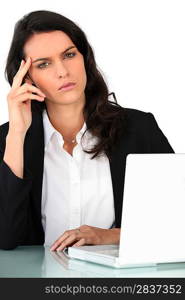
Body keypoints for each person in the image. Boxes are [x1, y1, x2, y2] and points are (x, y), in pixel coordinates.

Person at [0, 10, 174, 251]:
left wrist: (112, 236)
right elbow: (5, 238)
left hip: (120, 285)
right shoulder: (8, 141)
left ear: (84, 58)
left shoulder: (139, 128)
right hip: (36, 284)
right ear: (27, 78)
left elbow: (176, 221)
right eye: (44, 64)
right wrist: (17, 134)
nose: (62, 71)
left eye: (69, 55)